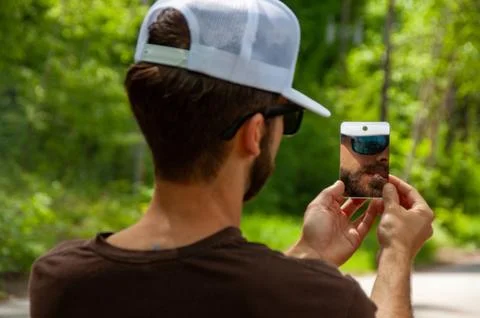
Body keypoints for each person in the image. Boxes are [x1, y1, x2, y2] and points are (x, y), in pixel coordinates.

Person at [29, 1, 434, 317]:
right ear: (253, 133)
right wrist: (396, 254)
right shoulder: (317, 299)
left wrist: (308, 256)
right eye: (287, 119)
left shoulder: (60, 280)